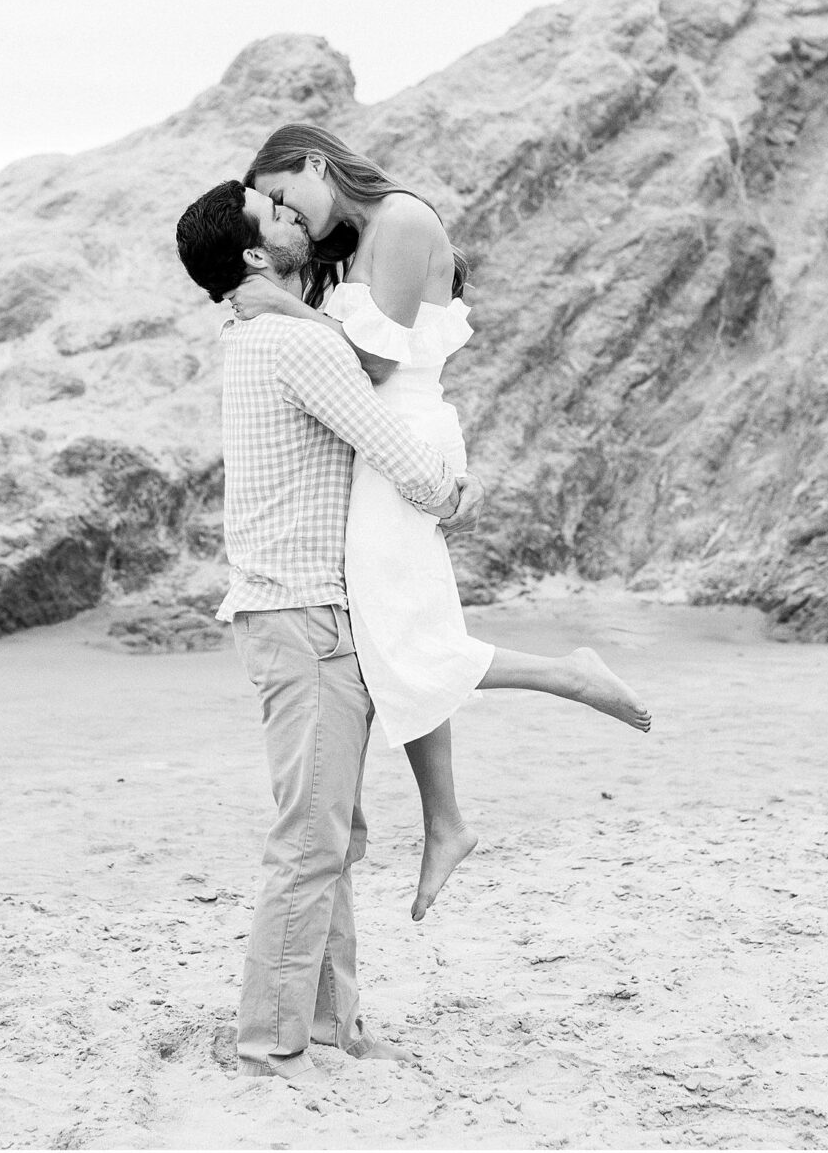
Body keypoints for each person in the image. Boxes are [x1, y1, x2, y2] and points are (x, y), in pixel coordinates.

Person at [234, 124, 651, 923]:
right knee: (402, 634)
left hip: (399, 435)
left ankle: (568, 675)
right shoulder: (360, 236)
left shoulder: (399, 219)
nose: (288, 215)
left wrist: (282, 307)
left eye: (286, 195)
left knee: (399, 638)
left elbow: (376, 364)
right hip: (378, 441)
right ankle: (444, 821)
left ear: (316, 164)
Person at [175, 178, 481, 1082]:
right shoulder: (290, 345)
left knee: (330, 839)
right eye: (275, 216)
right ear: (254, 258)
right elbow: (388, 446)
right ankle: (267, 1046)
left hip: (305, 614)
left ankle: (330, 1028)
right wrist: (447, 490)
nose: (296, 218)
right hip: (304, 617)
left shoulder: (264, 336)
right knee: (310, 843)